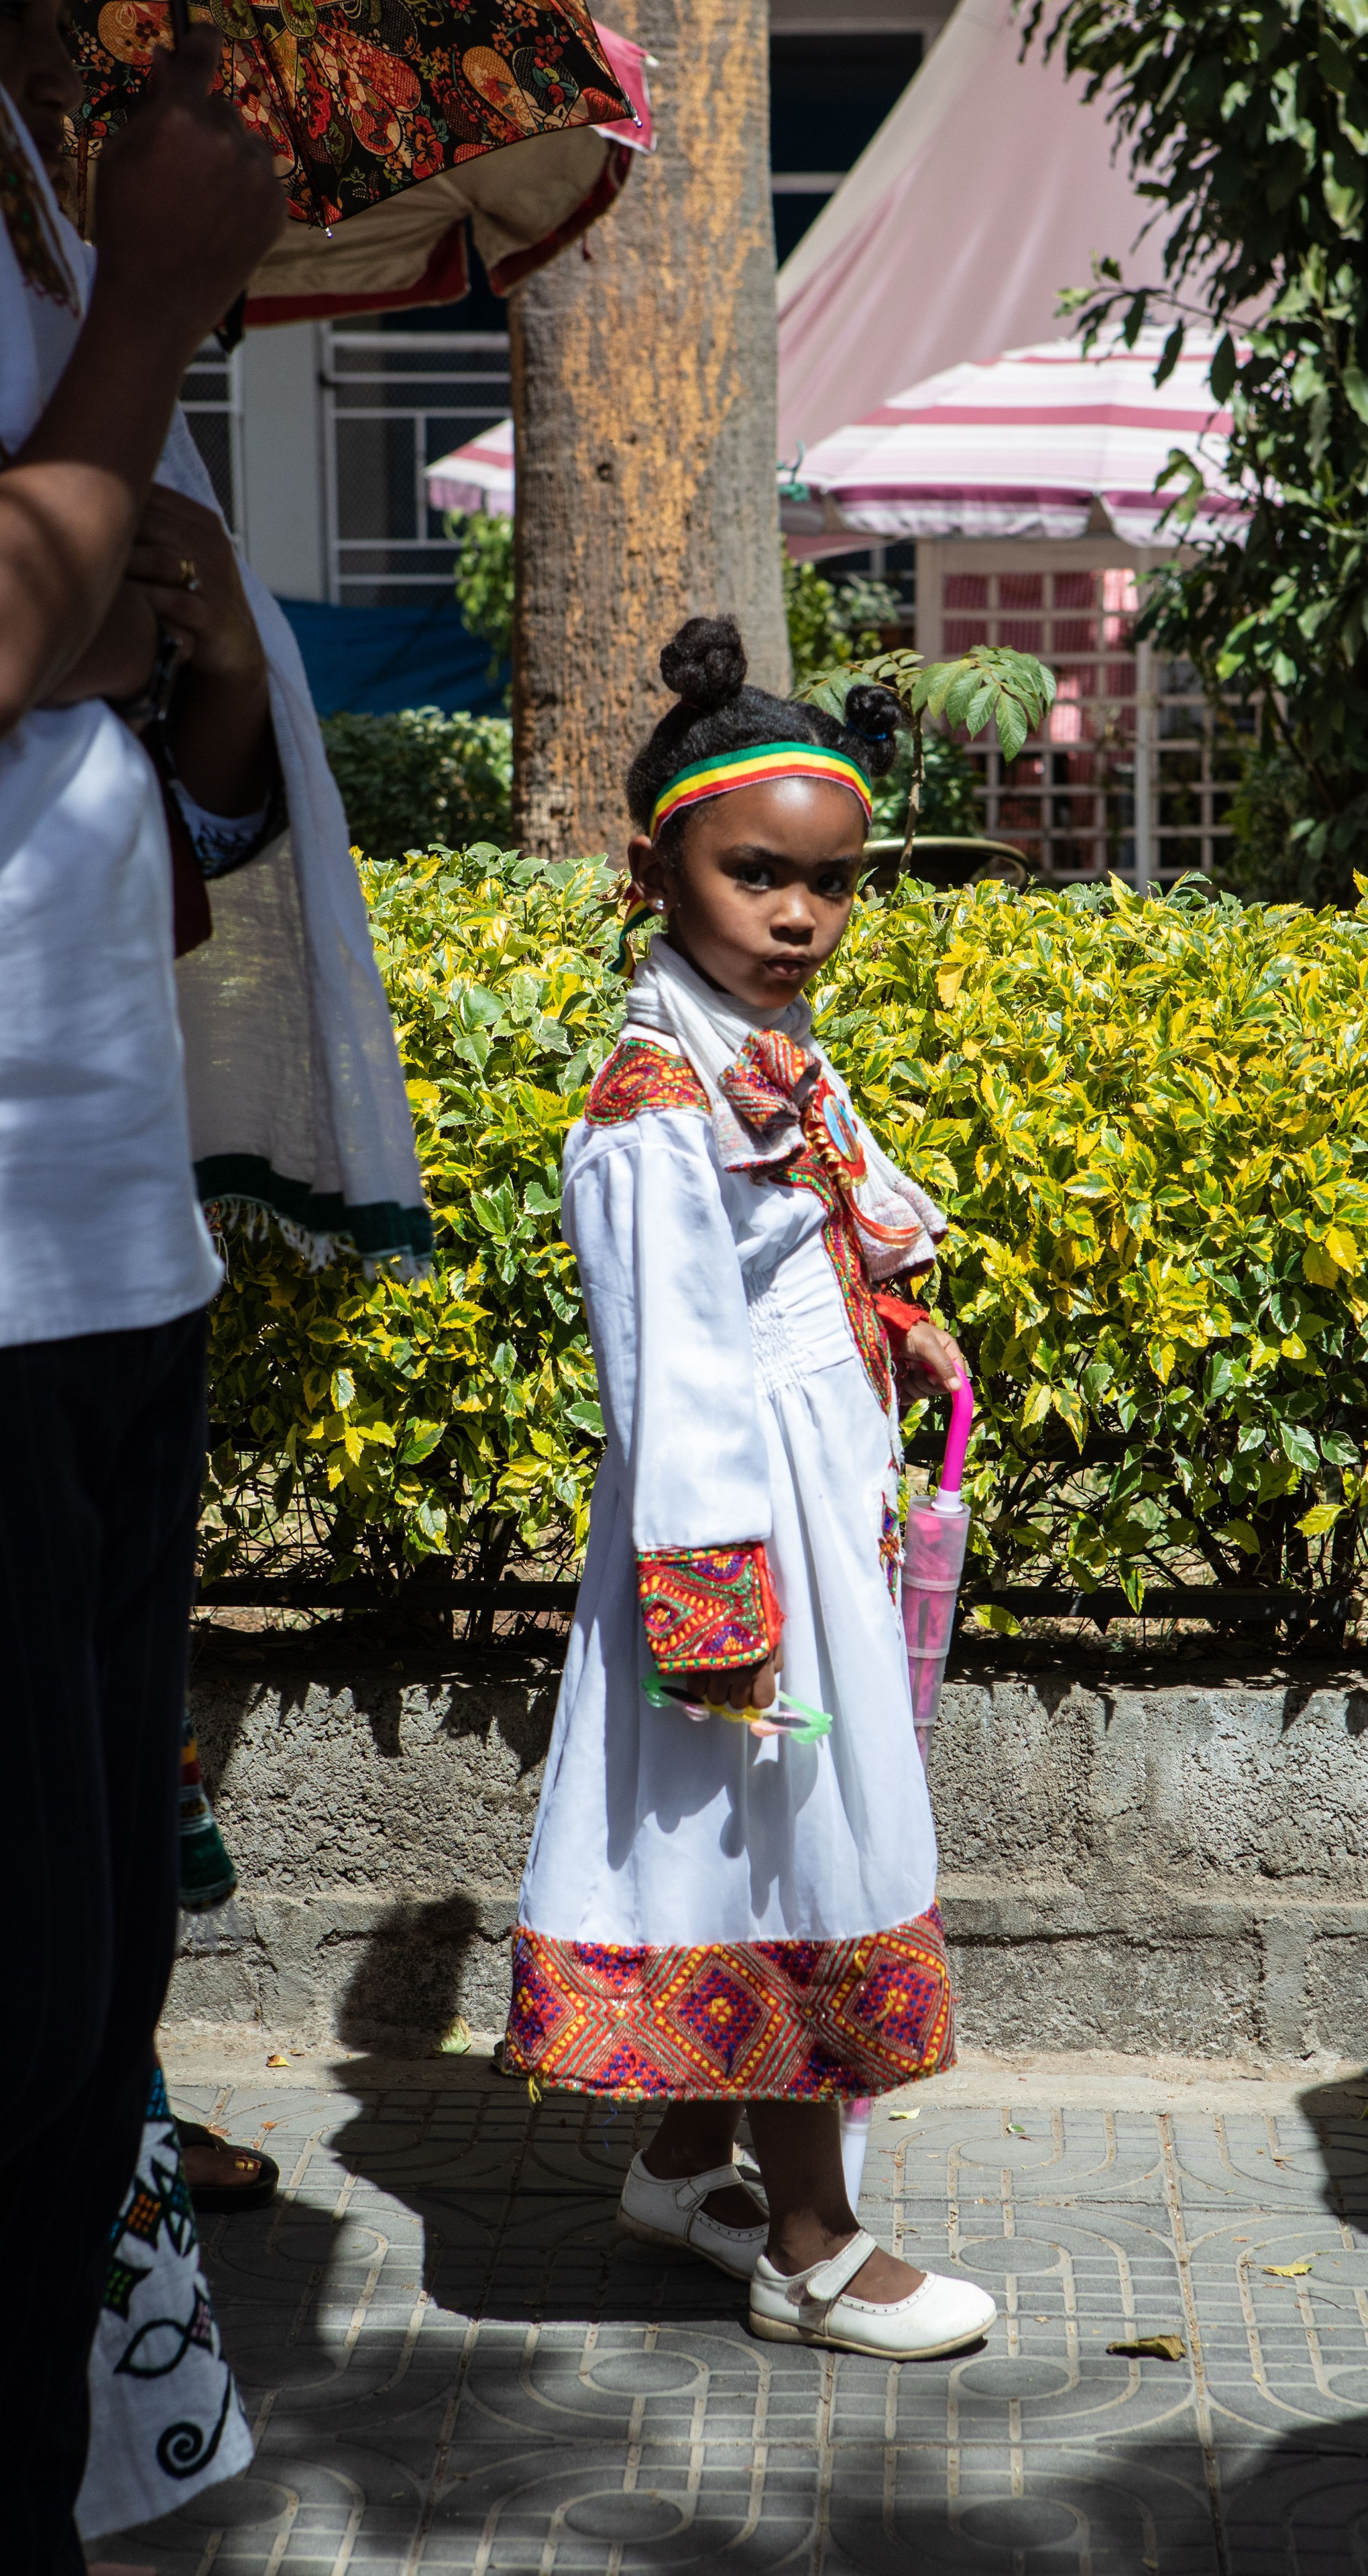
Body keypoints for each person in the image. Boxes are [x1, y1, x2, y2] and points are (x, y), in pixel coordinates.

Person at [0, 13, 420, 2566]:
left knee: (88, 2019)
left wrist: (198, 667)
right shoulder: (106, 241)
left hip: (101, 1242)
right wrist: (159, 299)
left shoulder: (39, 183)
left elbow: (118, 752)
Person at [500, 618, 996, 2363]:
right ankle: (809, 2244)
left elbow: (815, 1233)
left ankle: (681, 2162)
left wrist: (893, 1318)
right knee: (788, 1840)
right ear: (655, 875)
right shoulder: (653, 1105)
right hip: (733, 1542)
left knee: (752, 1833)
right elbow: (677, 1370)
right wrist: (720, 1606)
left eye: (831, 883)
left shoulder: (760, 1051)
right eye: (757, 875)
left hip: (803, 1501)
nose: (799, 914)